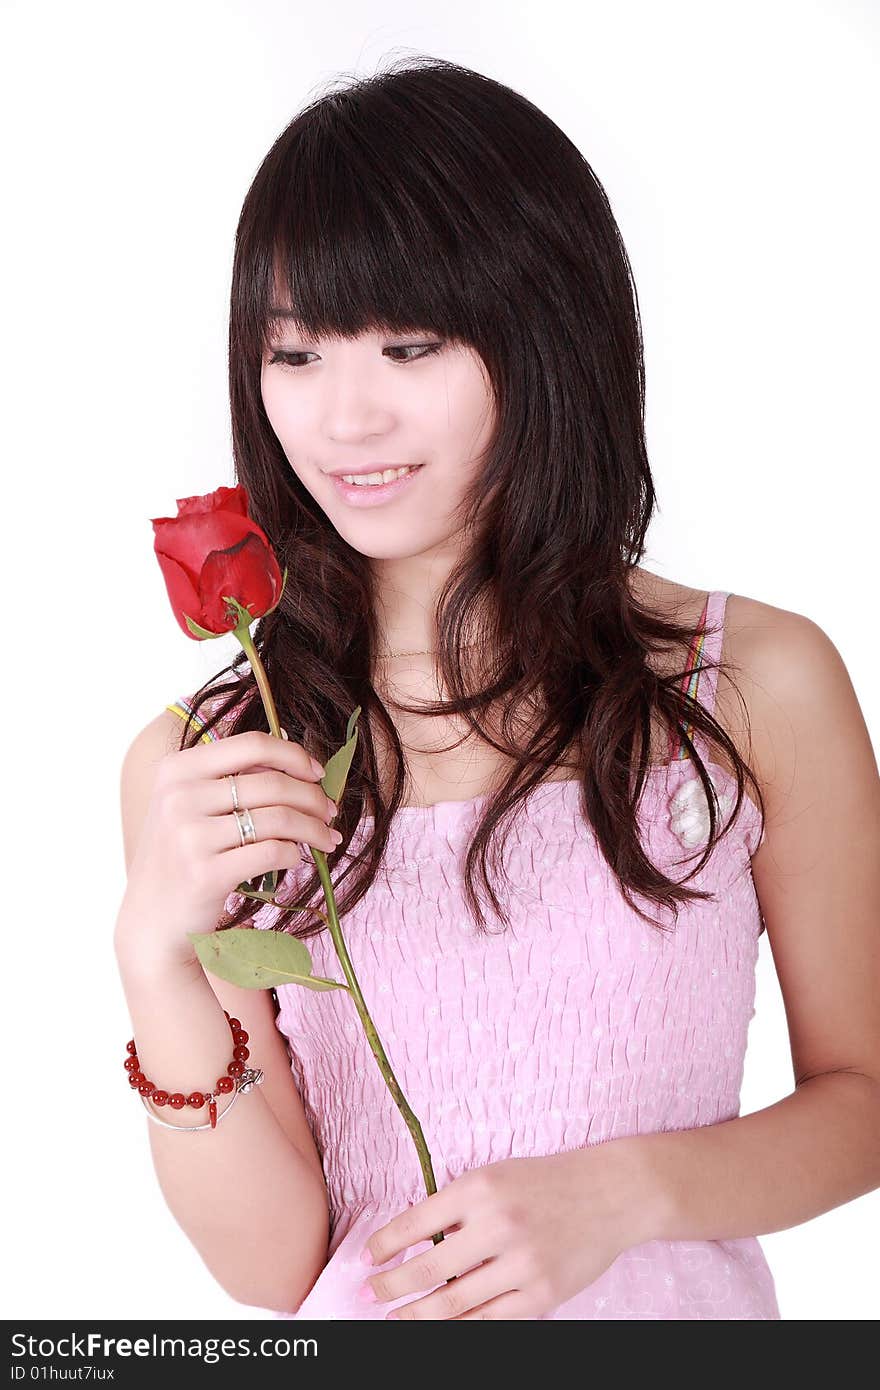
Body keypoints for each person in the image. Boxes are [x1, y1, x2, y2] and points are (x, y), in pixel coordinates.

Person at [114, 56, 880, 1321]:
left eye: (408, 345)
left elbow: (862, 1101)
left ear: (545, 329)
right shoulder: (218, 759)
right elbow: (274, 1266)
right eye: (294, 353)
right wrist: (155, 958)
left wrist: (624, 1193)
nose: (342, 418)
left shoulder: (750, 682)